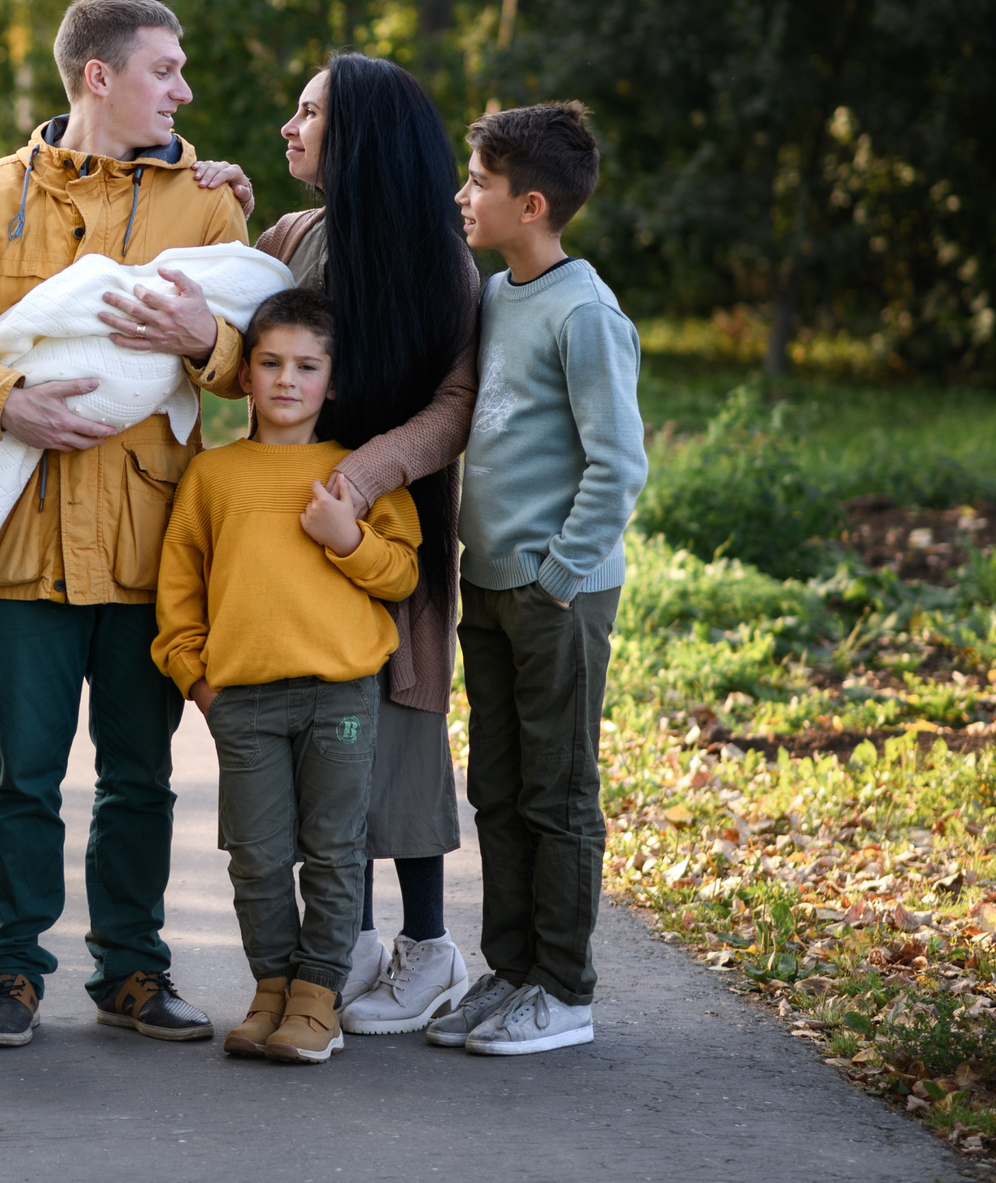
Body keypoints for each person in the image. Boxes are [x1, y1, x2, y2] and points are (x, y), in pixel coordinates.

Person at [0, 0, 250, 1049]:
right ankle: (9, 976)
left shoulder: (213, 205)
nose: (183, 89)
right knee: (18, 777)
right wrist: (3, 399)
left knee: (143, 778)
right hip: (22, 544)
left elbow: (264, 360)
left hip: (152, 549)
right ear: (98, 75)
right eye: (164, 69)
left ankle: (131, 970)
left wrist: (202, 340)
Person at [208, 53, 482, 1035]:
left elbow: (453, 406)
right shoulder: (299, 234)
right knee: (334, 741)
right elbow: (252, 318)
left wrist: (359, 484)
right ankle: (352, 944)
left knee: (396, 727)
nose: (287, 126)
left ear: (357, 134)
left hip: (386, 531)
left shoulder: (437, 257)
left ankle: (429, 947)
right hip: (297, 537)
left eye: (307, 112)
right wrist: (225, 205)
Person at [428, 100, 646, 1056]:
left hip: (558, 591)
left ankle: (564, 987)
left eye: (479, 181)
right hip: (492, 585)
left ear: (534, 202)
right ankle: (510, 970)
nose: (463, 195)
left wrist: (559, 575)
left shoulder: (586, 310)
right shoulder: (499, 293)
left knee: (559, 794)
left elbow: (619, 463)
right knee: (499, 787)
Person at [154, 290, 421, 1066]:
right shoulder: (214, 476)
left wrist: (347, 539)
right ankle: (270, 988)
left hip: (340, 694)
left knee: (335, 850)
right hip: (243, 700)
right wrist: (198, 681)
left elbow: (402, 574)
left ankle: (316, 999)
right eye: (269, 362)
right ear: (246, 376)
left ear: (332, 382)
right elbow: (179, 592)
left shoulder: (357, 471)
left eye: (307, 366)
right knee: (258, 856)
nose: (285, 380)